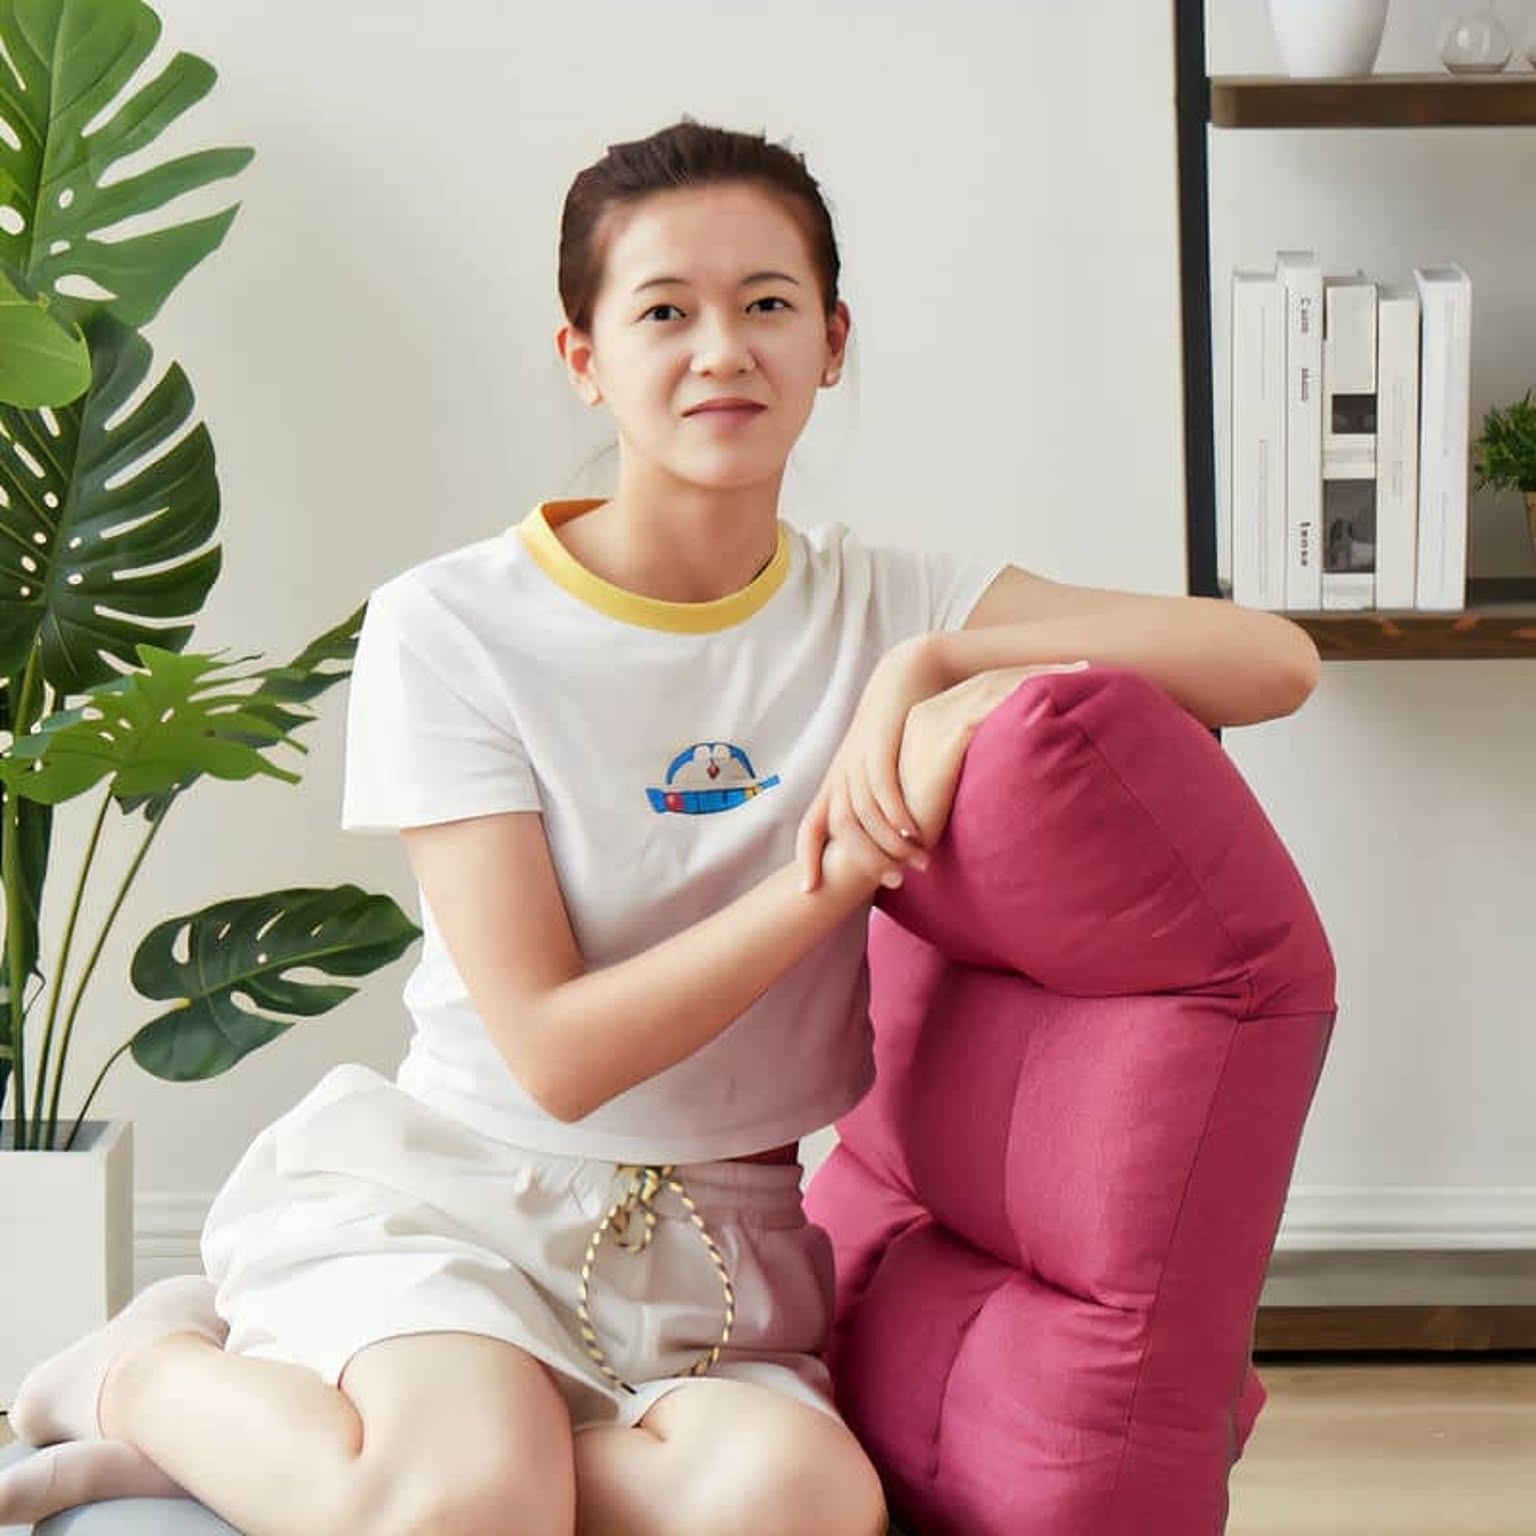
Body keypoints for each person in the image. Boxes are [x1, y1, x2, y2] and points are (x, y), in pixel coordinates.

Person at [0, 119, 1320, 1536]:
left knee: (802, 1506)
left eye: (768, 304)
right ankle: (143, 1372)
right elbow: (558, 1053)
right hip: (455, 1211)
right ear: (584, 357)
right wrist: (838, 867)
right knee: (465, 1503)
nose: (722, 351)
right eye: (664, 312)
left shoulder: (891, 604)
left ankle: (314, 1450)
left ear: (832, 340)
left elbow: (1273, 660)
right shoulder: (453, 625)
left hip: (723, 1252)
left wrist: (938, 663)